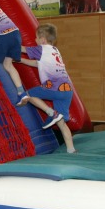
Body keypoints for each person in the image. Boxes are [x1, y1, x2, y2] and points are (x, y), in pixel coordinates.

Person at [20, 23, 76, 153]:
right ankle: (71, 150)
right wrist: (21, 61)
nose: (35, 40)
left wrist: (4, 45)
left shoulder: (42, 49)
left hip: (54, 87)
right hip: (67, 90)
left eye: (36, 37)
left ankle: (51, 112)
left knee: (28, 95)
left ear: (43, 40)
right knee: (61, 121)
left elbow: (21, 49)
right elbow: (37, 63)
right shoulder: (55, 50)